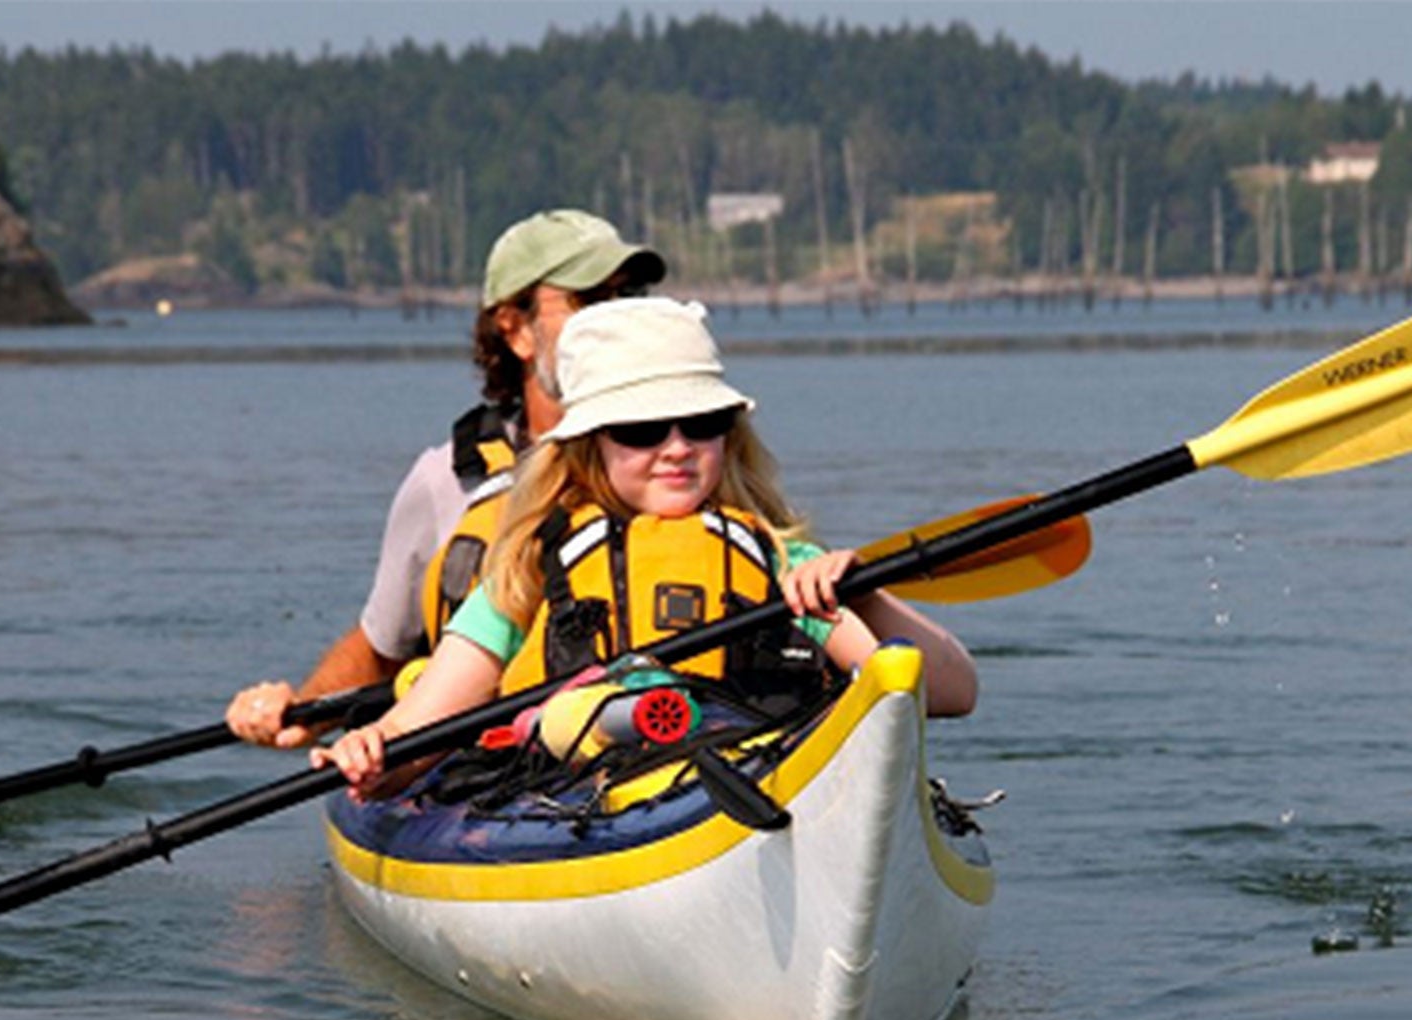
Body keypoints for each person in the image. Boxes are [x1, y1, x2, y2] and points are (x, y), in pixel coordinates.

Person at [315, 297, 978, 795]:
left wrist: (863, 595)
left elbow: (950, 691)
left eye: (702, 422)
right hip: (576, 800)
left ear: (729, 436)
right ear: (588, 446)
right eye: (641, 430)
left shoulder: (783, 566)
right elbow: (419, 729)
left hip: (758, 779)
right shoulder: (526, 574)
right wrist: (373, 750)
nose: (677, 448)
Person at [225, 209, 665, 748]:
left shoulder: (687, 456)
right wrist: (301, 712)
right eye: (591, 299)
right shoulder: (446, 483)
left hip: (664, 735)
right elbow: (383, 649)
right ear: (516, 330)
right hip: (503, 761)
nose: (620, 316)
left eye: (630, 294)